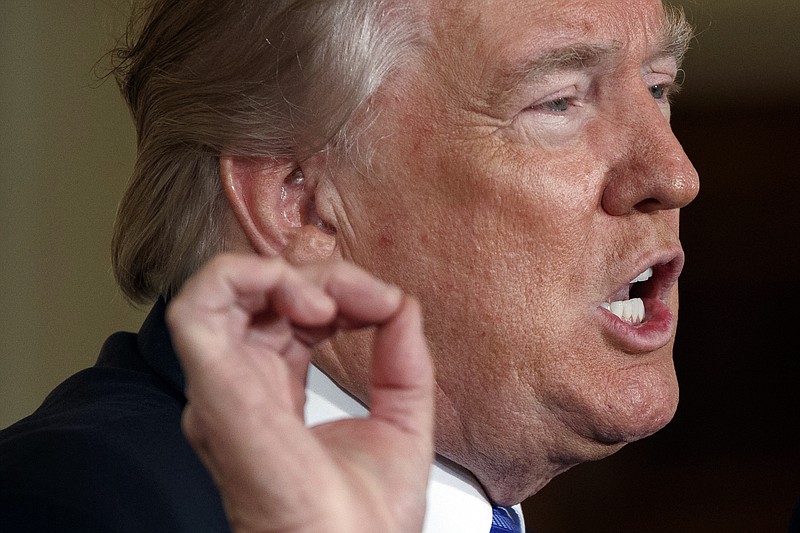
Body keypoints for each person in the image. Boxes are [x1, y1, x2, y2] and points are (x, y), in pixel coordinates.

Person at [0, 0, 699, 531]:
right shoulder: (89, 500)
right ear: (301, 206)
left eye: (658, 87)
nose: (675, 174)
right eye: (560, 102)